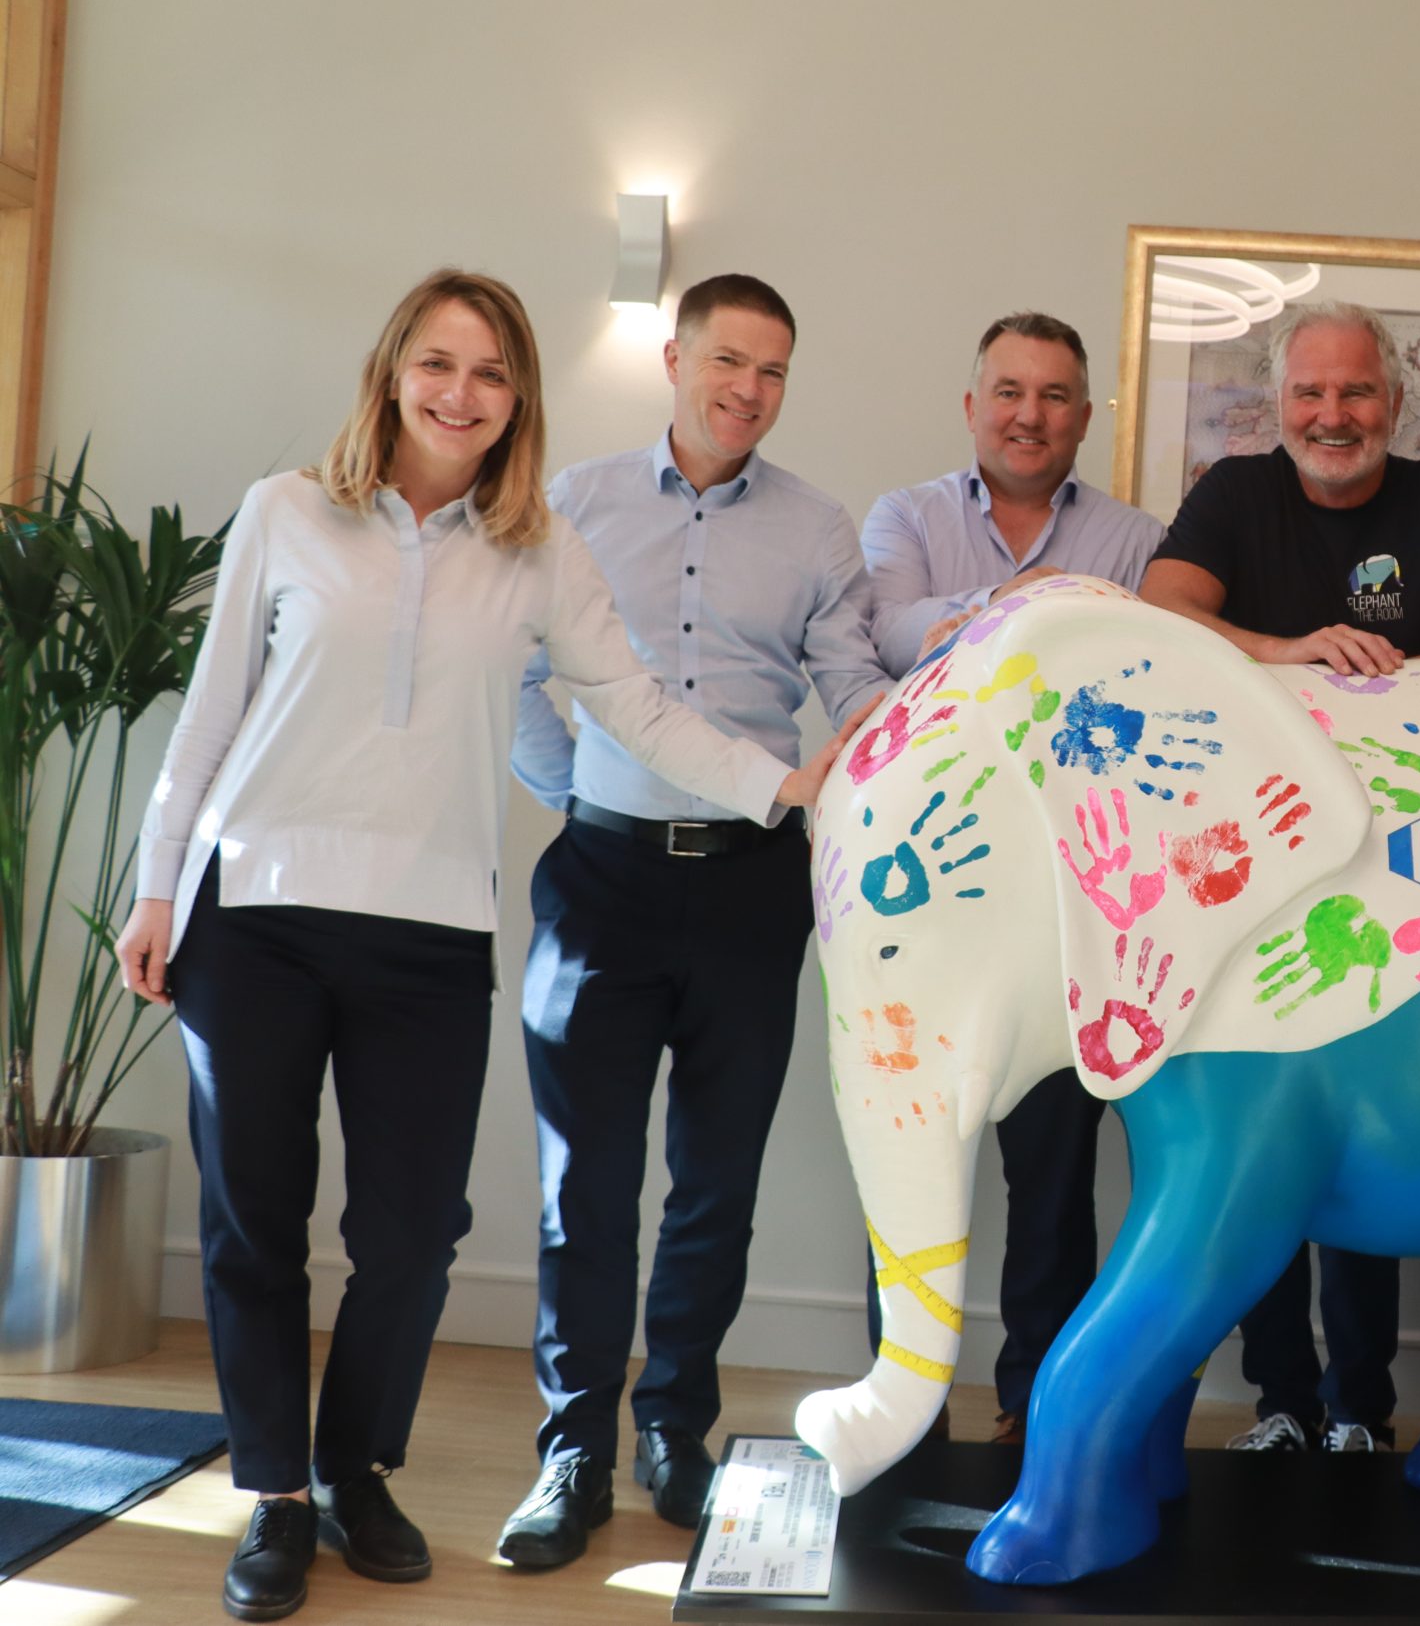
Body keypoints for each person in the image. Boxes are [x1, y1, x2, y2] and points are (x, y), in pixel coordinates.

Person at [113, 270, 859, 1623]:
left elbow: (633, 702)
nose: (462, 393)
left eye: (492, 373)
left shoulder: (538, 546)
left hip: (431, 931)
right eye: (439, 364)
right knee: (252, 1225)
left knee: (412, 1236)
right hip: (255, 912)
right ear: (392, 370)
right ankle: (277, 1494)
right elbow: (211, 711)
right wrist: (157, 886)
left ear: (520, 398)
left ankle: (356, 1467)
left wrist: (779, 788)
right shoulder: (288, 511)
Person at [495, 275, 893, 1570]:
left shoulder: (819, 528)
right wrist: (581, 793)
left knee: (716, 1184)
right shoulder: (575, 502)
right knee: (585, 1186)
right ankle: (572, 1451)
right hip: (600, 882)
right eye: (730, 361)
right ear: (675, 357)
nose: (749, 390)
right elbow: (517, 673)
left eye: (773, 371)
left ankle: (674, 1427)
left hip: (750, 887)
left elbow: (852, 686)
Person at [1143, 299, 1420, 1451]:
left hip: (1403, 881)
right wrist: (1293, 652)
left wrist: (1362, 684)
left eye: (1355, 390)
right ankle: (1280, 1400)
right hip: (1249, 877)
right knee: (1258, 1139)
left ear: (1395, 402)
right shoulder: (1233, 493)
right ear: (1278, 404)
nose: (1331, 413)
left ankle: (1361, 1407)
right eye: (1309, 392)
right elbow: (1160, 616)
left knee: (1368, 1136)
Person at [857, 311, 1164, 1443]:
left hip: (1066, 904)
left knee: (1054, 1179)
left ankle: (1037, 1407)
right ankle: (902, 1409)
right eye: (1009, 391)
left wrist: (998, 631)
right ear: (972, 404)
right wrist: (1041, 612)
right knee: (909, 1161)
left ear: (1085, 415)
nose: (1029, 415)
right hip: (921, 904)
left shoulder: (1137, 538)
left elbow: (1141, 670)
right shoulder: (906, 518)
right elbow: (894, 634)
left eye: (1054, 395)